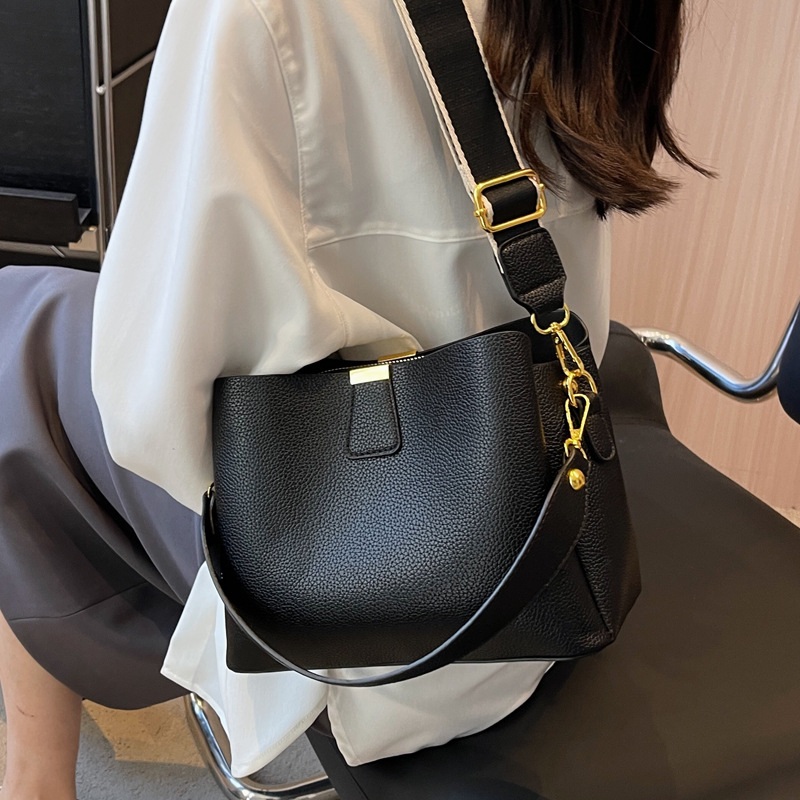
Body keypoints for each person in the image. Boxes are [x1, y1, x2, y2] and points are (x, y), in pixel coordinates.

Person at [0, 0, 705, 797]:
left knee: (18, 331)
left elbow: (148, 420)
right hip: (545, 553)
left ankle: (34, 780)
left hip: (338, 612)